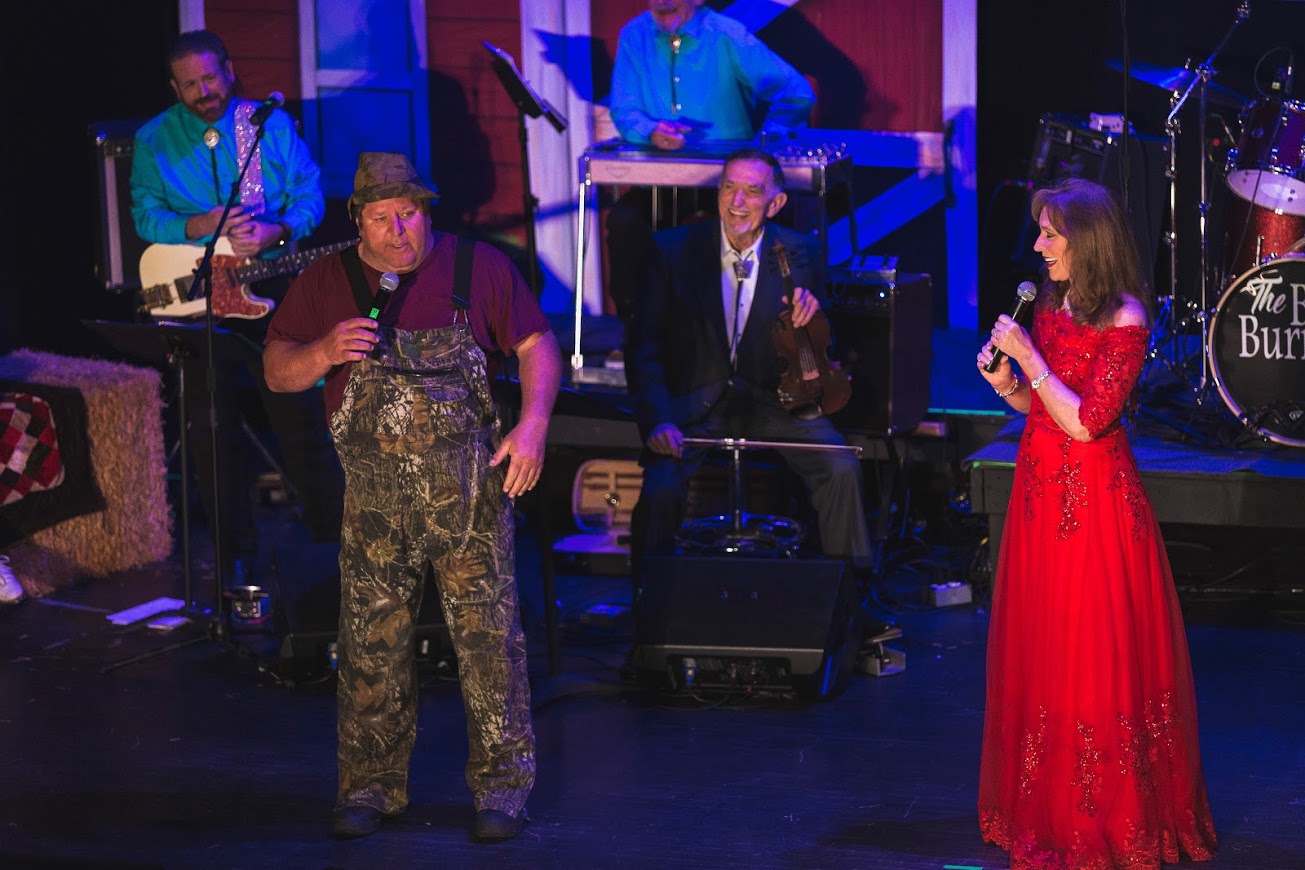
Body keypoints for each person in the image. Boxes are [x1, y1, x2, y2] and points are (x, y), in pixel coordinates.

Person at [263, 152, 561, 843]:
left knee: (489, 646)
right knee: (369, 647)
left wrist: (535, 424)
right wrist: (323, 352)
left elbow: (536, 342)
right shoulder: (325, 279)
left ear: (426, 210)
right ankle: (369, 787)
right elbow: (277, 371)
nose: (398, 230)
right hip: (374, 508)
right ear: (357, 222)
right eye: (380, 217)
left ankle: (502, 790)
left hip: (470, 500)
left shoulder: (474, 267)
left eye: (409, 213)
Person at [976, 177, 1218, 867]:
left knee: (1091, 657)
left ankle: (1101, 816)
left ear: (1086, 238)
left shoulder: (1126, 319)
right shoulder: (1050, 303)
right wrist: (1008, 384)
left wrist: (1028, 360)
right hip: (1037, 496)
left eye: (1049, 233)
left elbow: (1087, 421)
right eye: (1040, 231)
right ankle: (1042, 807)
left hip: (1092, 506)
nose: (1038, 245)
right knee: (1044, 648)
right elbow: (1041, 406)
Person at [130, 29, 343, 585]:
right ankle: (233, 565)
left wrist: (279, 228)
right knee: (210, 429)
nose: (205, 92)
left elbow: (310, 196)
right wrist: (199, 227)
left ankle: (335, 546)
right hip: (199, 298)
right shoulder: (154, 139)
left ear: (228, 70)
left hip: (271, 291)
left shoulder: (266, 124)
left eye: (210, 78)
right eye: (191, 85)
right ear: (174, 88)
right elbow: (146, 218)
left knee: (300, 422)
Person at [627, 148, 869, 582]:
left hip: (775, 400)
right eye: (729, 188)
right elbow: (643, 347)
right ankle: (650, 610)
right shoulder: (672, 250)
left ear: (775, 204)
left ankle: (847, 601)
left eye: (752, 192)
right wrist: (658, 421)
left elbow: (822, 350)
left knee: (840, 466)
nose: (737, 202)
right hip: (694, 403)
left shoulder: (801, 252)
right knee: (660, 489)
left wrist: (813, 318)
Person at [604, 0, 816, 323]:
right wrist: (651, 131)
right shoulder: (634, 35)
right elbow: (624, 108)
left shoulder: (727, 35)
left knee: (728, 232)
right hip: (660, 184)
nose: (662, 3)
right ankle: (637, 333)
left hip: (727, 185)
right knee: (625, 223)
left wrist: (765, 143)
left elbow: (796, 92)